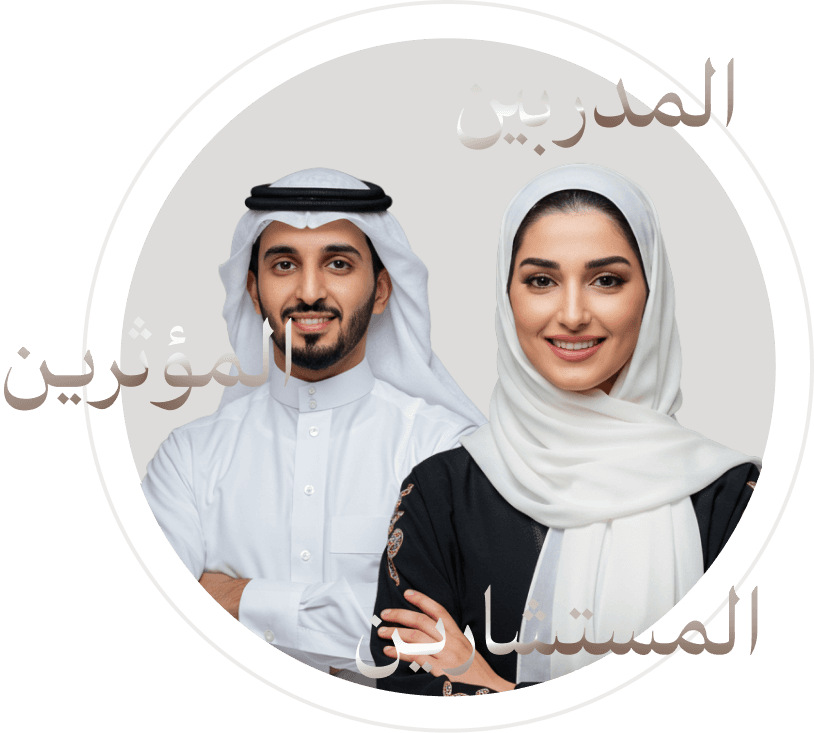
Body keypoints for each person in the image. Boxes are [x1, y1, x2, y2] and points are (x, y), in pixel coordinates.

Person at [368, 164, 760, 695]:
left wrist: (494, 691)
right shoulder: (442, 495)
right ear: (507, 296)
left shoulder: (732, 499)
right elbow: (407, 695)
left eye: (606, 280)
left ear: (653, 295)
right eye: (541, 281)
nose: (573, 314)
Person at [141, 168, 483, 680]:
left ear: (381, 290)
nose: (309, 291)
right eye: (284, 265)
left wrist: (237, 597)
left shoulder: (445, 450)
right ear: (253, 291)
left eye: (338, 264)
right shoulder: (189, 457)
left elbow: (451, 633)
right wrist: (365, 612)